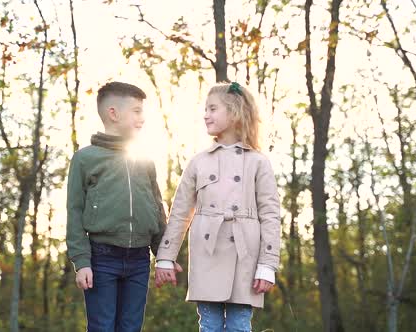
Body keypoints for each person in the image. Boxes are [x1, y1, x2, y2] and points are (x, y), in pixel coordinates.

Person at [155, 82, 281, 332]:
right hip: (207, 252)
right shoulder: (198, 162)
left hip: (245, 255)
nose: (206, 115)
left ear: (234, 113)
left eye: (213, 109)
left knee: (238, 324)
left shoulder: (258, 162)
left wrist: (268, 264)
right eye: (205, 109)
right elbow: (180, 213)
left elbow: (270, 215)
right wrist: (165, 258)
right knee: (209, 324)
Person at [66, 81, 173, 332]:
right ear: (113, 114)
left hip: (139, 259)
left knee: (130, 327)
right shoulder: (86, 158)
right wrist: (82, 261)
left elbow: (157, 207)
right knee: (103, 326)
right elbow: (74, 211)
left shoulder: (145, 159)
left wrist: (164, 255)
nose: (142, 118)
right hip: (102, 258)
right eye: (136, 111)